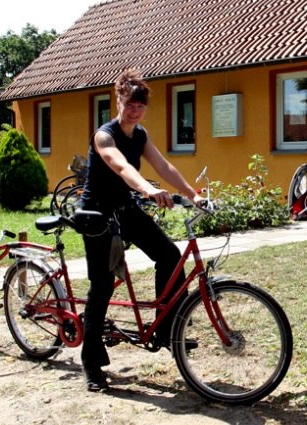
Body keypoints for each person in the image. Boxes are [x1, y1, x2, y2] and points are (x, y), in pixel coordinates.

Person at [78, 68, 203, 392]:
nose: (135, 111)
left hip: (124, 208)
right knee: (103, 284)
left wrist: (193, 194)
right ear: (118, 101)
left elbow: (164, 166)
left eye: (140, 106)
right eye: (130, 104)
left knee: (169, 255)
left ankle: (168, 330)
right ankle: (91, 361)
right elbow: (119, 165)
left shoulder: (141, 135)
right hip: (96, 214)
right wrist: (148, 189)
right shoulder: (104, 136)